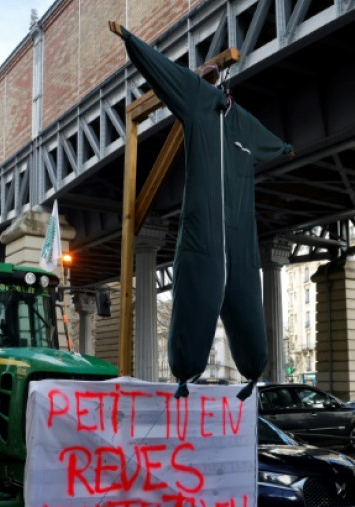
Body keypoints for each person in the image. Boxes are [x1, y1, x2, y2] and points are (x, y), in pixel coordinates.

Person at [110, 22, 294, 398]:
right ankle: (184, 374)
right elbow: (167, 73)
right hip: (203, 232)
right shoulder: (198, 101)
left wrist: (284, 148)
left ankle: (252, 371)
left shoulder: (244, 124)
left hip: (241, 242)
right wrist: (132, 42)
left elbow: (271, 142)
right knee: (195, 295)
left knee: (247, 309)